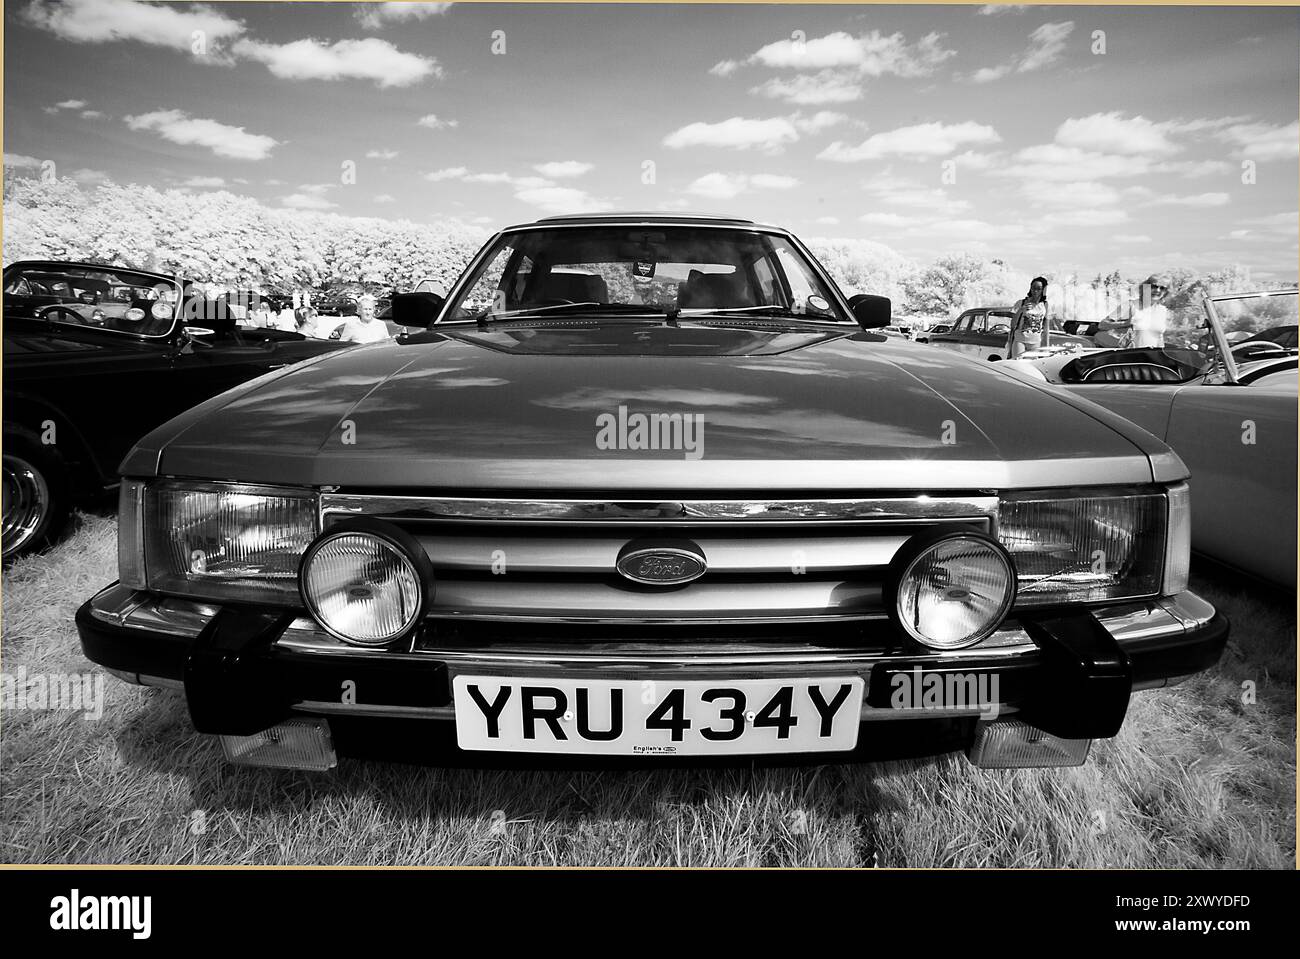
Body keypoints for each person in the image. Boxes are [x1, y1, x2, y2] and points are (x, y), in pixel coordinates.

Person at [1096, 274, 1171, 348]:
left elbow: (1159, 338)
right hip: (1131, 355)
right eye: (1154, 286)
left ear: (1166, 292)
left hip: (1150, 357)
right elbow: (1102, 325)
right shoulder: (1131, 305)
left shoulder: (1163, 310)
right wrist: (1125, 323)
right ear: (1146, 287)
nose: (1158, 290)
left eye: (1162, 288)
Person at [1007, 276, 1050, 359]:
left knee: (1030, 367)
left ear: (1043, 290)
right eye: (1033, 288)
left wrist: (1046, 348)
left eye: (1038, 288)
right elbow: (1012, 324)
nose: (1035, 291)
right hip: (1020, 340)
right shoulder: (1021, 302)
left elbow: (1046, 329)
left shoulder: (1045, 305)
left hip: (1035, 342)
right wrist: (1021, 310)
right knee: (1018, 364)